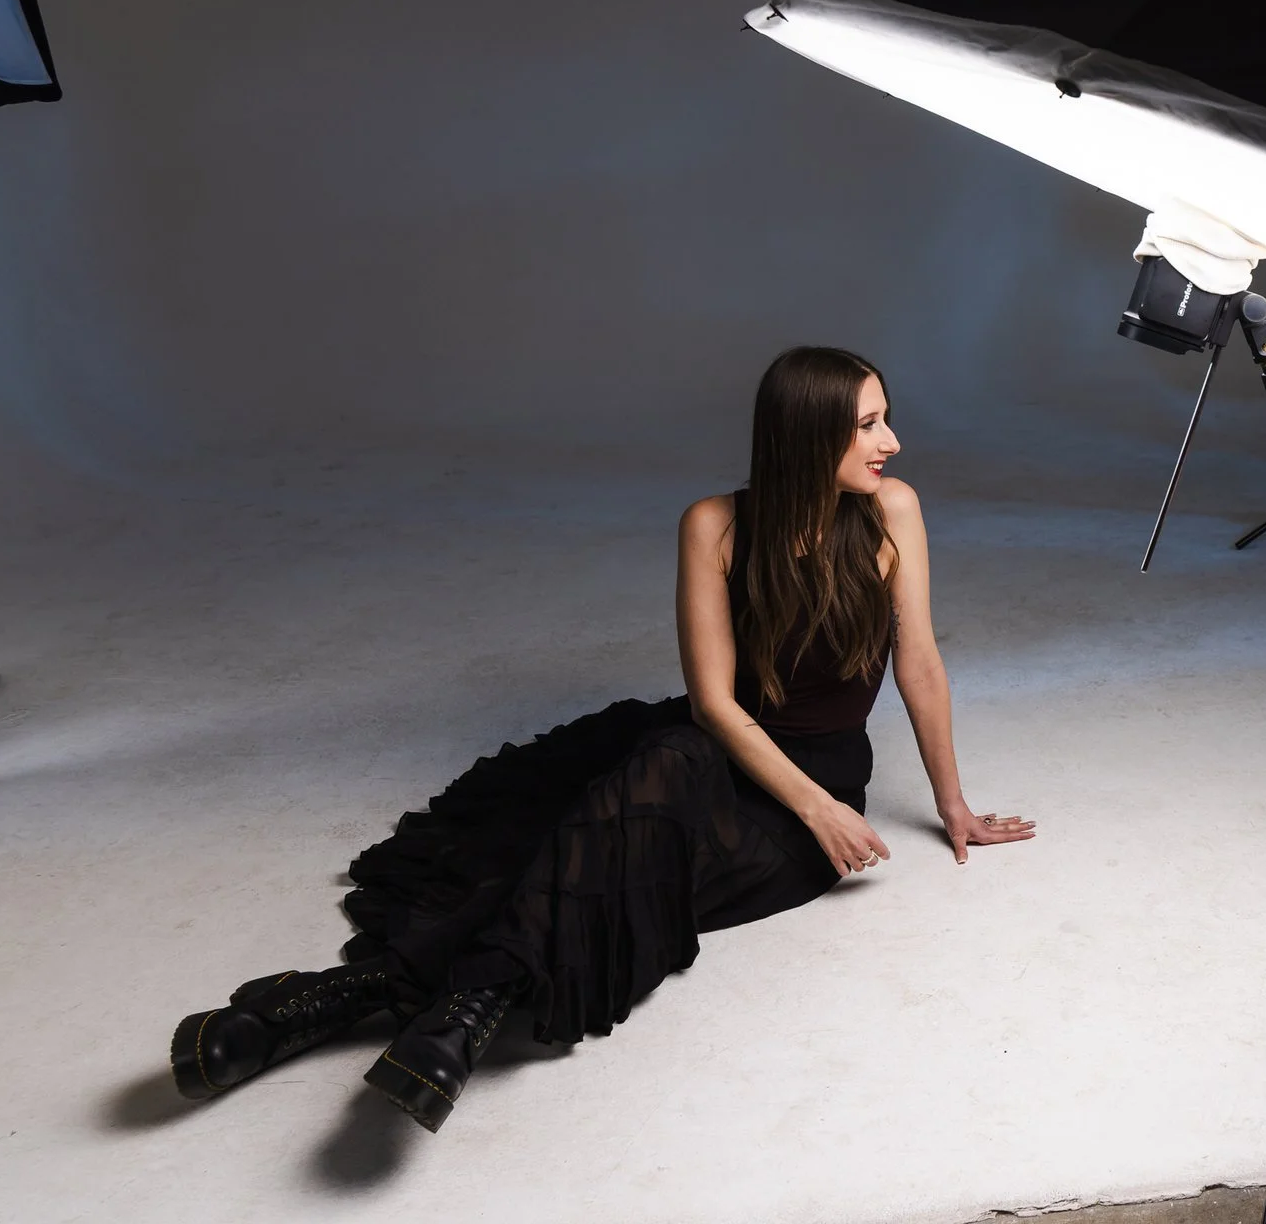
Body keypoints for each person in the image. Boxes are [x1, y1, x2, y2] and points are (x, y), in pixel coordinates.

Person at [167, 346, 1035, 1131]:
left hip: (807, 793)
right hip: (717, 753)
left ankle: (332, 1002)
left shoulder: (893, 512)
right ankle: (424, 1012)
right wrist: (817, 808)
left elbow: (919, 661)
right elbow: (715, 708)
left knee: (608, 873)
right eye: (869, 424)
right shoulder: (715, 526)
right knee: (605, 819)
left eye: (885, 418)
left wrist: (947, 805)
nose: (894, 441)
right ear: (808, 435)